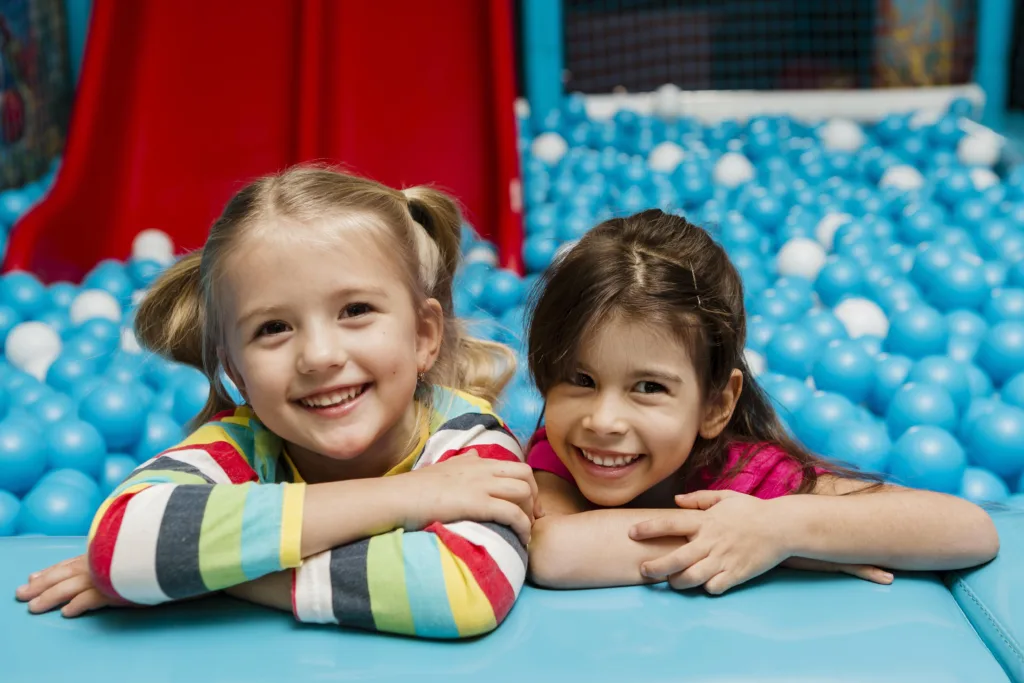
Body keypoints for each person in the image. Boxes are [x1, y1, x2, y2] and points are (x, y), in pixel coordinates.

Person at [16, 166, 535, 639]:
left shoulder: (468, 441)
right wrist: (407, 498)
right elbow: (121, 544)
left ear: (423, 335)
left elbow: (464, 589)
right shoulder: (243, 443)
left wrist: (205, 575)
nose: (319, 356)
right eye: (274, 328)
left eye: (355, 310)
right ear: (236, 370)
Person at [525, 209, 999, 592]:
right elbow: (553, 549)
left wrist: (780, 531)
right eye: (580, 379)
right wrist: (753, 542)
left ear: (716, 405)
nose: (603, 420)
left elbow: (970, 529)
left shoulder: (744, 476)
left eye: (649, 388)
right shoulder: (562, 455)